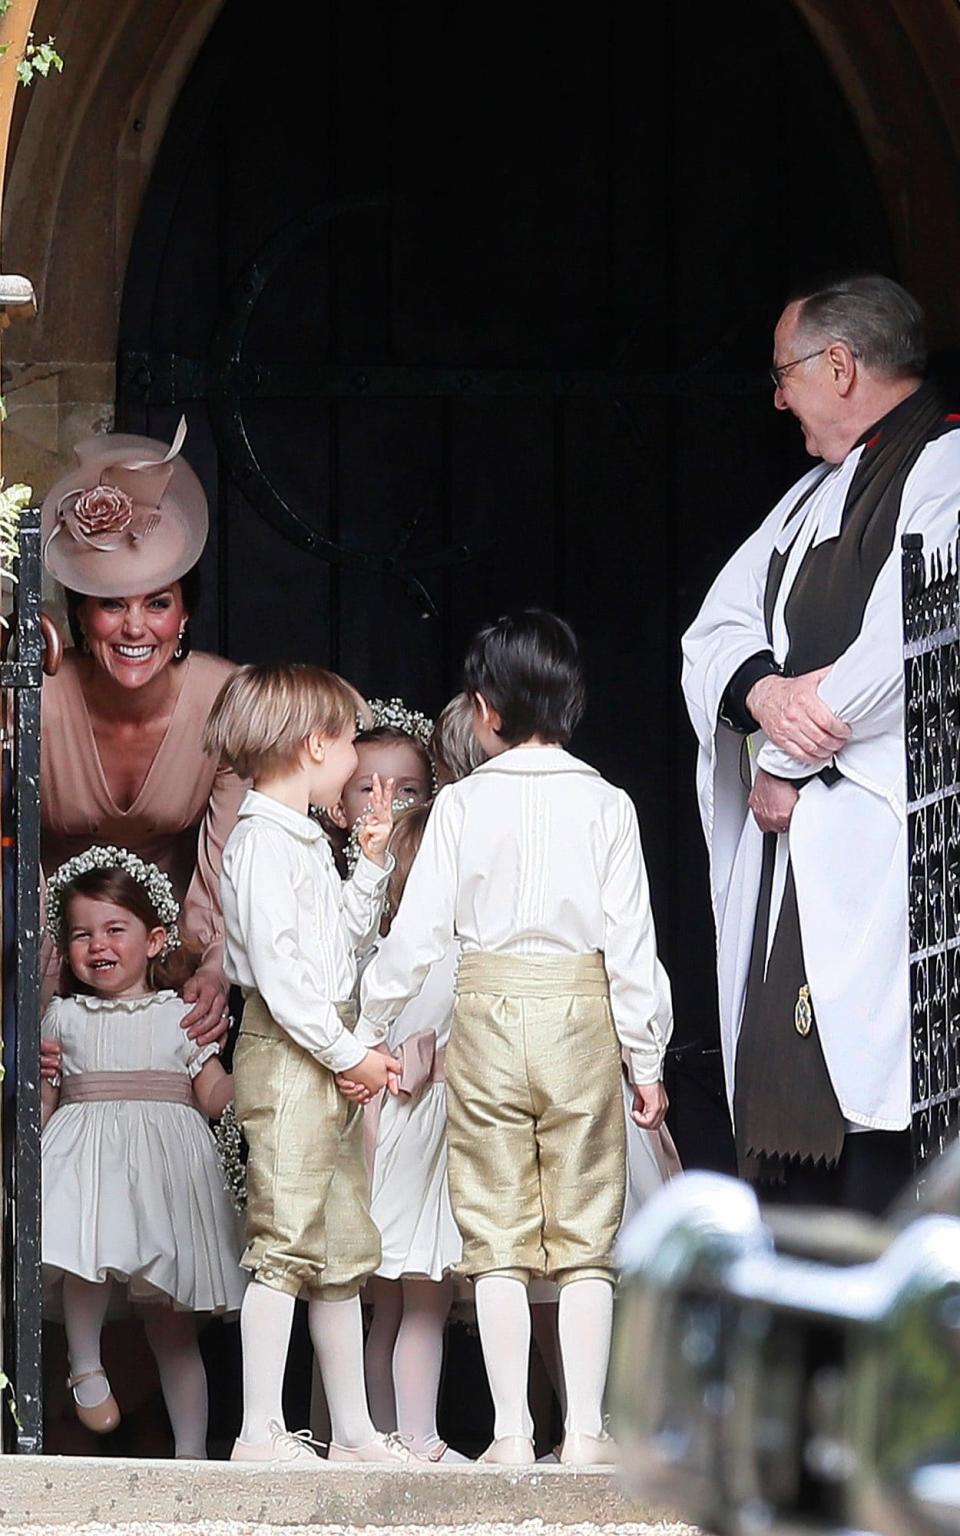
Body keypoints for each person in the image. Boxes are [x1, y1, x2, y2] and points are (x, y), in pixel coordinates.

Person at [355, 611, 671, 1467]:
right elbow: (632, 946)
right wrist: (646, 1058)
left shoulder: (459, 805)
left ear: (485, 707)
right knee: (587, 1232)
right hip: (580, 1014)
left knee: (491, 1229)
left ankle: (508, 1433)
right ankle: (588, 1432)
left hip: (485, 1010)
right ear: (572, 703)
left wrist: (366, 1029)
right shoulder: (608, 804)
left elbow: (417, 935)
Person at [682, 273, 960, 1214]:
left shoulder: (946, 466)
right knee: (795, 1165)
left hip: (898, 848)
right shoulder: (809, 497)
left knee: (888, 1137)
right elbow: (712, 633)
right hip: (799, 856)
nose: (777, 397)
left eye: (784, 373)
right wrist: (758, 692)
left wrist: (784, 755)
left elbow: (916, 639)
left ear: (838, 366)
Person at [203, 662, 414, 1467]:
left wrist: (369, 863)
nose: (358, 757)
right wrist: (349, 1052)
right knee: (285, 1242)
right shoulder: (262, 842)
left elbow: (340, 947)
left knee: (335, 1249)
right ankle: (259, 1428)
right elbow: (290, 986)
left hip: (318, 1052)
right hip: (291, 1055)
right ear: (314, 743)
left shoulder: (300, 839)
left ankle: (354, 1431)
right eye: (351, 740)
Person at [39, 418, 242, 1061]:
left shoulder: (223, 700)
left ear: (184, 616)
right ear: (80, 614)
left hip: (169, 961)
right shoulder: (32, 700)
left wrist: (211, 966)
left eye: (158, 603)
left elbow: (228, 862)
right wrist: (35, 985)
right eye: (112, 604)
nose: (136, 626)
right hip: (39, 951)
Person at [40, 848, 245, 1457]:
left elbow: (210, 1093)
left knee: (173, 1321)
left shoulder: (180, 1013)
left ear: (155, 940)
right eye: (81, 934)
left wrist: (258, 1081)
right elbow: (45, 1102)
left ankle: (191, 1452)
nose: (97, 945)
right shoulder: (61, 1015)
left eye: (114, 930)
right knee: (85, 1248)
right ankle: (84, 1364)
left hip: (165, 1172)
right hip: (87, 1159)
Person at [359, 805, 466, 1464]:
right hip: (432, 1134)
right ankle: (415, 1438)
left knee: (397, 1304)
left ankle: (383, 1435)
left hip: (404, 1134)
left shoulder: (389, 959)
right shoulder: (452, 959)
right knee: (423, 1294)